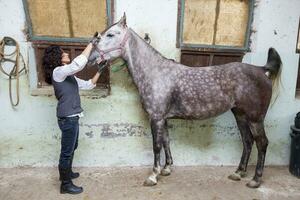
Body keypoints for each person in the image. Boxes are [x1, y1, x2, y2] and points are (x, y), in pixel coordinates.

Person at [42, 39, 107, 194]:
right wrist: (91, 45)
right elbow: (77, 64)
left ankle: (67, 173)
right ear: (56, 57)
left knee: (72, 147)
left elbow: (88, 85)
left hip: (73, 116)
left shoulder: (68, 75)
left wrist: (99, 71)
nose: (65, 53)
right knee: (67, 151)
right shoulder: (58, 72)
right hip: (67, 117)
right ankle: (65, 184)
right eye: (62, 52)